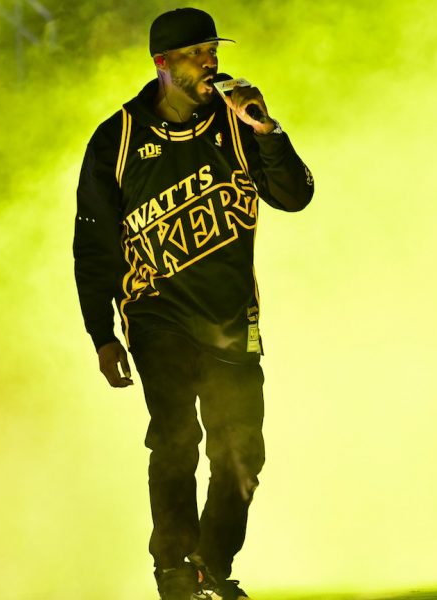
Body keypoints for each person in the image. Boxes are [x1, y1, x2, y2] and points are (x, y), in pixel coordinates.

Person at [73, 8, 314, 600]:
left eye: (213, 50)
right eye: (197, 53)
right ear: (162, 63)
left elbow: (296, 196)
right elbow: (92, 242)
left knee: (242, 451)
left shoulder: (238, 124)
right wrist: (101, 334)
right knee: (176, 437)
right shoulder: (118, 137)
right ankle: (175, 570)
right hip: (156, 316)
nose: (211, 62)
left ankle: (212, 563)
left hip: (232, 318)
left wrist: (266, 131)